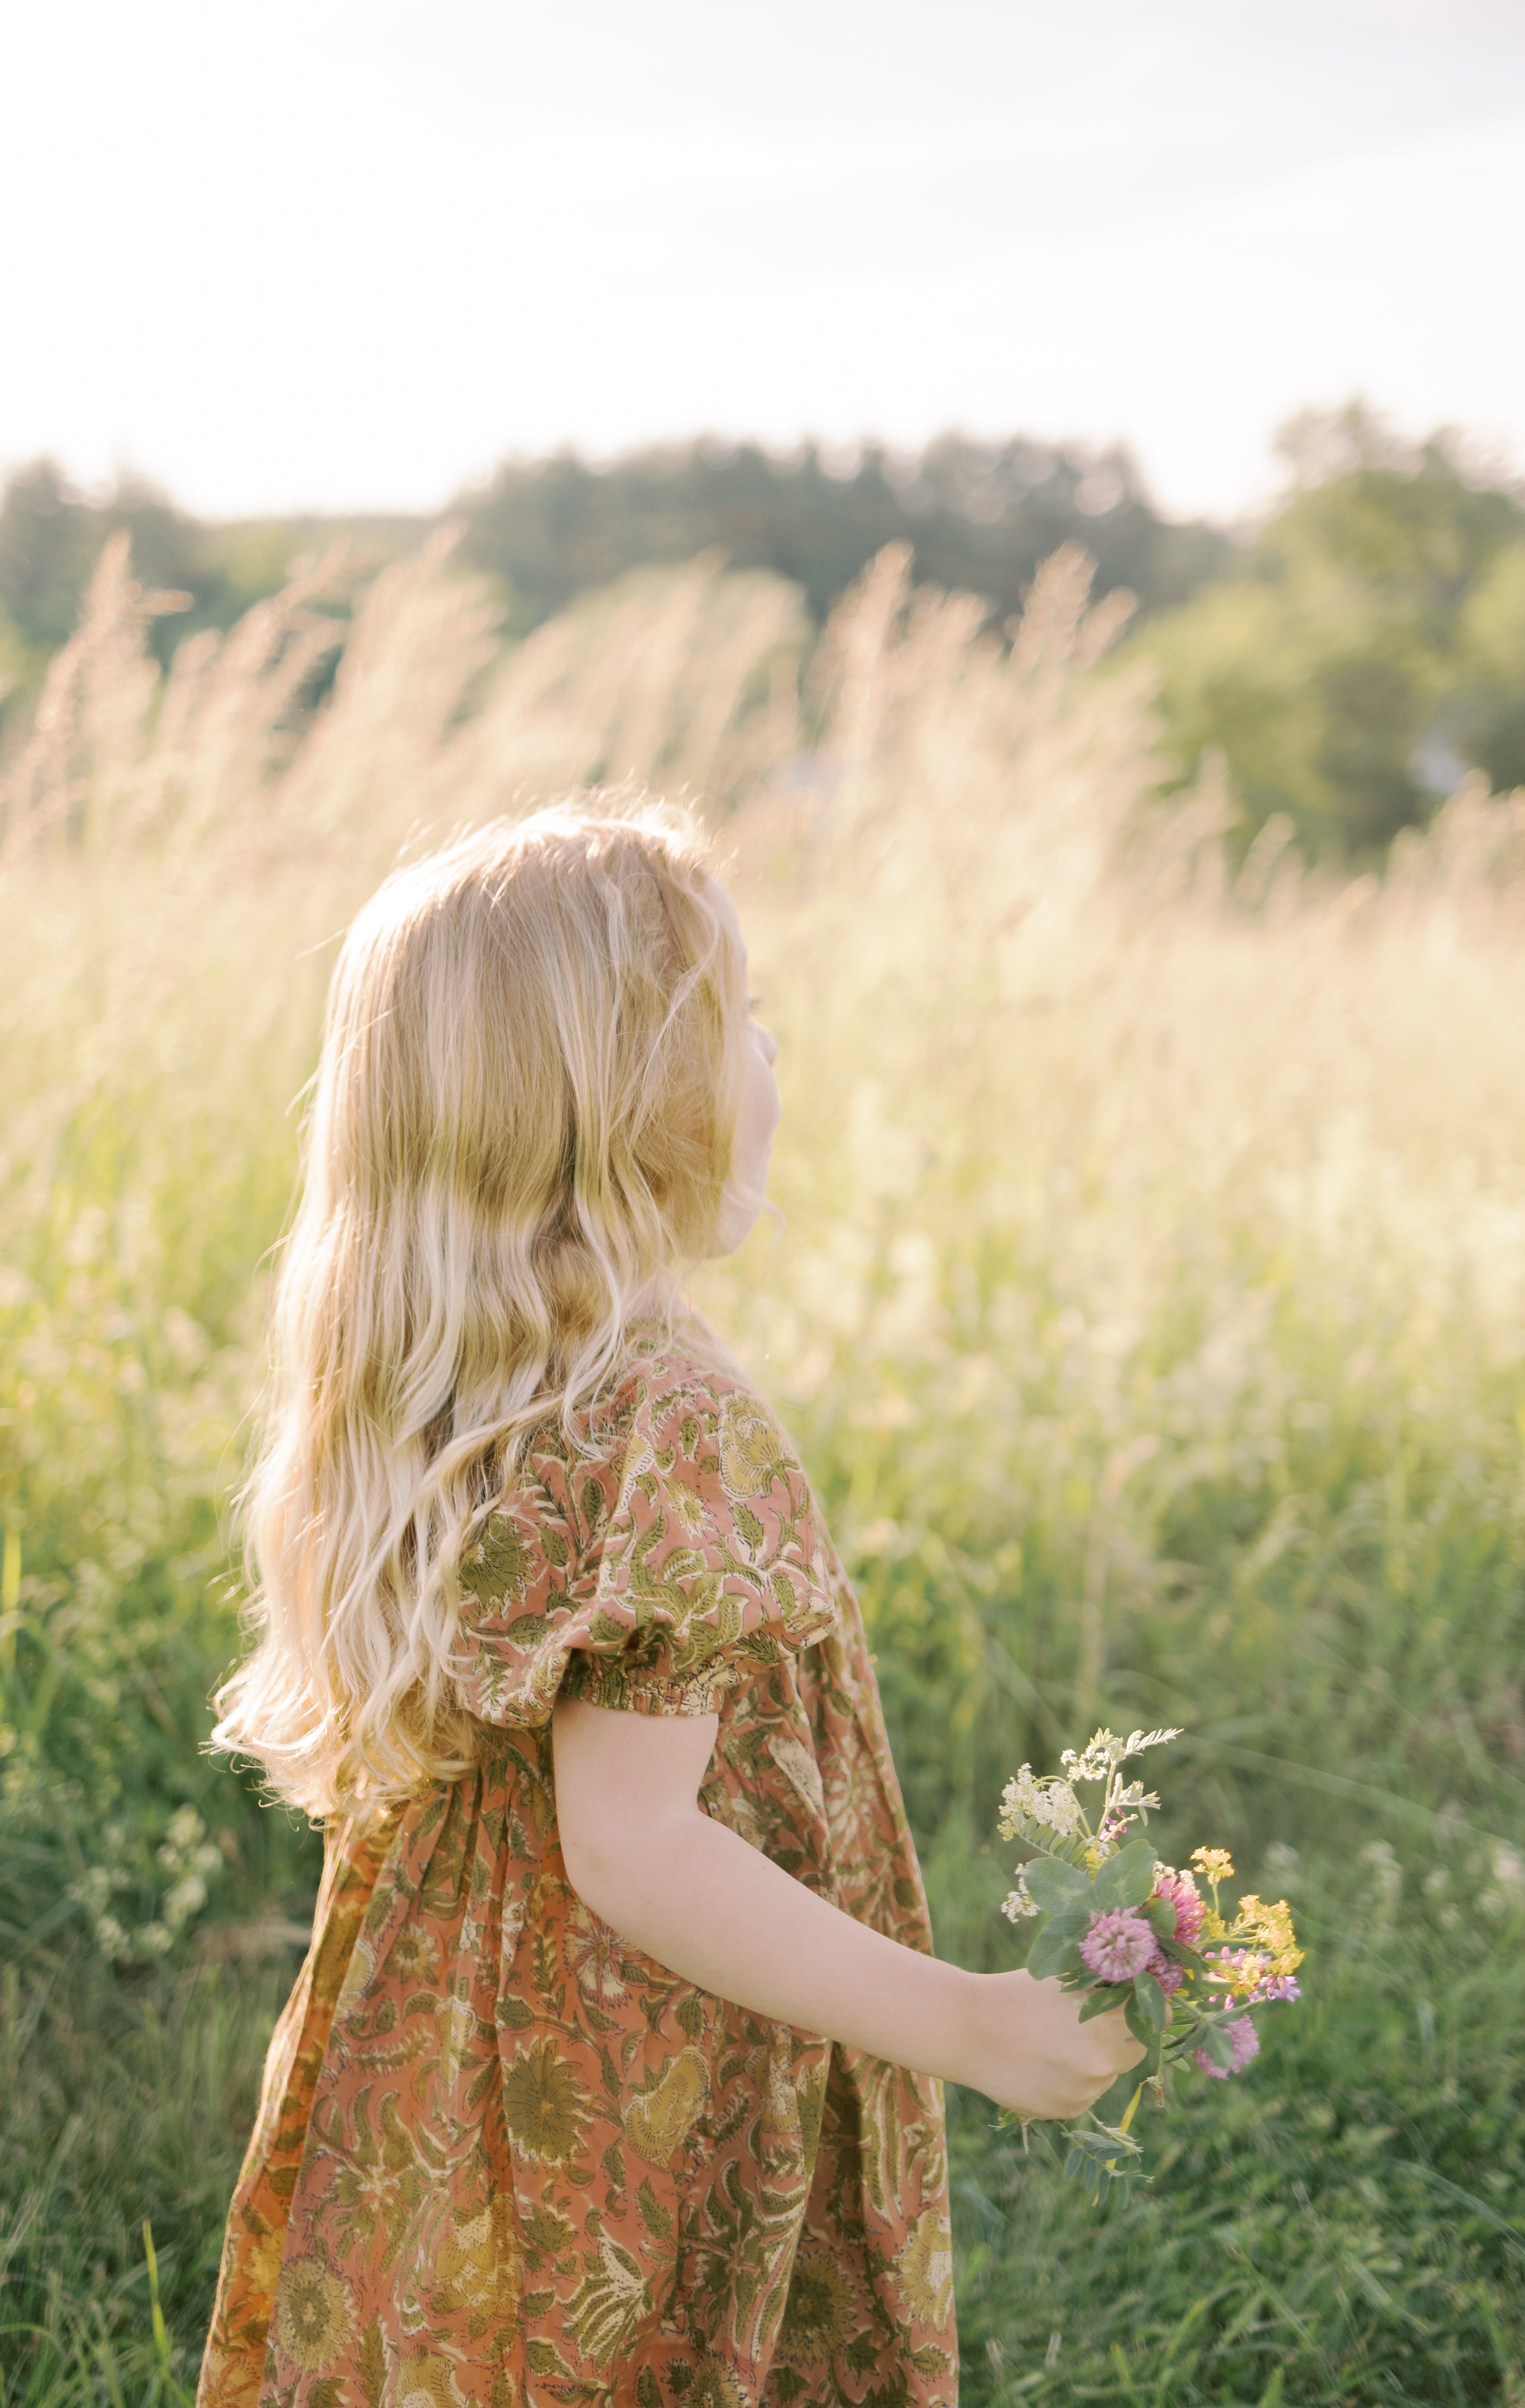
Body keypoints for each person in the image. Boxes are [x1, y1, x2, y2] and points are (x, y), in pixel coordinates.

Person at [196, 801, 1140, 2408]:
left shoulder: (475, 1381)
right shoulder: (667, 1411)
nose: (776, 1058)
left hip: (449, 2030)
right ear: (642, 1100)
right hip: (646, 2052)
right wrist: (970, 2023)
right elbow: (632, 1847)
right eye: (747, 1023)